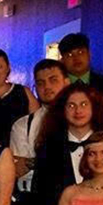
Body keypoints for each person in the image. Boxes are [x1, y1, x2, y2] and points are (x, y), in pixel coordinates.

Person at [9, 59, 70, 194]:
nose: (47, 87)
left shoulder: (83, 120)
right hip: (36, 196)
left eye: (53, 80)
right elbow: (20, 169)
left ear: (66, 82)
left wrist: (33, 162)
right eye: (40, 83)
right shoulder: (23, 125)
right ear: (35, 88)